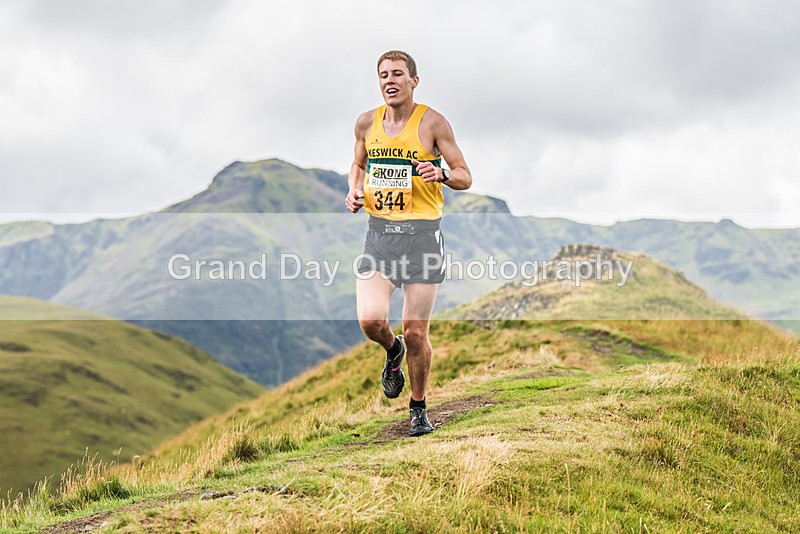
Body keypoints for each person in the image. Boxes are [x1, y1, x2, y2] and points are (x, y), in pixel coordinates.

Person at [345, 50, 472, 436]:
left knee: (416, 331)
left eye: (397, 74)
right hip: (380, 236)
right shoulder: (366, 123)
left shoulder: (433, 122)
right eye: (383, 75)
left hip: (423, 239)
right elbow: (358, 164)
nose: (390, 81)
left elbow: (466, 176)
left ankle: (417, 408)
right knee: (370, 320)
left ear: (414, 81)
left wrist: (442, 173)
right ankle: (391, 350)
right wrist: (353, 190)